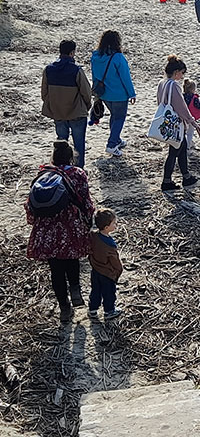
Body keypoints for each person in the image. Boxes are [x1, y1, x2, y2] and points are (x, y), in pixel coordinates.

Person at [25, 140, 95, 323]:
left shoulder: (44, 173)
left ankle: (64, 307)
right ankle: (76, 290)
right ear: (71, 157)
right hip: (69, 224)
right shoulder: (78, 173)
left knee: (55, 268)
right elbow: (86, 202)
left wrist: (35, 223)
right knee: (72, 259)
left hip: (46, 228)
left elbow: (30, 204)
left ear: (54, 158)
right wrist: (88, 221)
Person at [41, 40, 92, 168]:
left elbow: (44, 92)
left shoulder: (48, 69)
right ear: (72, 53)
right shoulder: (76, 70)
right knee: (79, 143)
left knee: (61, 142)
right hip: (76, 112)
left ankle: (61, 168)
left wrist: (52, 105)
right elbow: (86, 92)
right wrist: (87, 105)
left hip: (58, 111)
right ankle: (78, 170)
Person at [157, 55, 200, 191]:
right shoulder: (174, 85)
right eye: (182, 73)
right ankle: (167, 181)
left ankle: (186, 176)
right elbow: (180, 107)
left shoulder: (162, 83)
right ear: (177, 72)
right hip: (176, 124)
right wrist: (192, 121)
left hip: (167, 121)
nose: (182, 76)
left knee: (181, 148)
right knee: (175, 151)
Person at [90, 30, 136, 157]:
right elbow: (125, 77)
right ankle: (111, 144)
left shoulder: (95, 56)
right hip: (119, 94)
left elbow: (94, 75)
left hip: (104, 93)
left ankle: (116, 139)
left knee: (114, 117)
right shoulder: (118, 58)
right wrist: (132, 93)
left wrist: (96, 93)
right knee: (119, 118)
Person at [88, 208, 123, 321]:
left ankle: (92, 310)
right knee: (109, 293)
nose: (116, 225)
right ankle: (109, 311)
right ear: (107, 227)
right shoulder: (110, 245)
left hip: (95, 270)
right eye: (114, 223)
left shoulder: (93, 236)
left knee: (95, 291)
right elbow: (115, 262)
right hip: (107, 273)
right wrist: (117, 272)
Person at [183, 79, 200, 148]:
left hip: (183, 116)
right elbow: (198, 106)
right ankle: (188, 146)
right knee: (190, 132)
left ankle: (189, 143)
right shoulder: (194, 98)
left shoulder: (182, 96)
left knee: (185, 131)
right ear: (193, 89)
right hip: (192, 117)